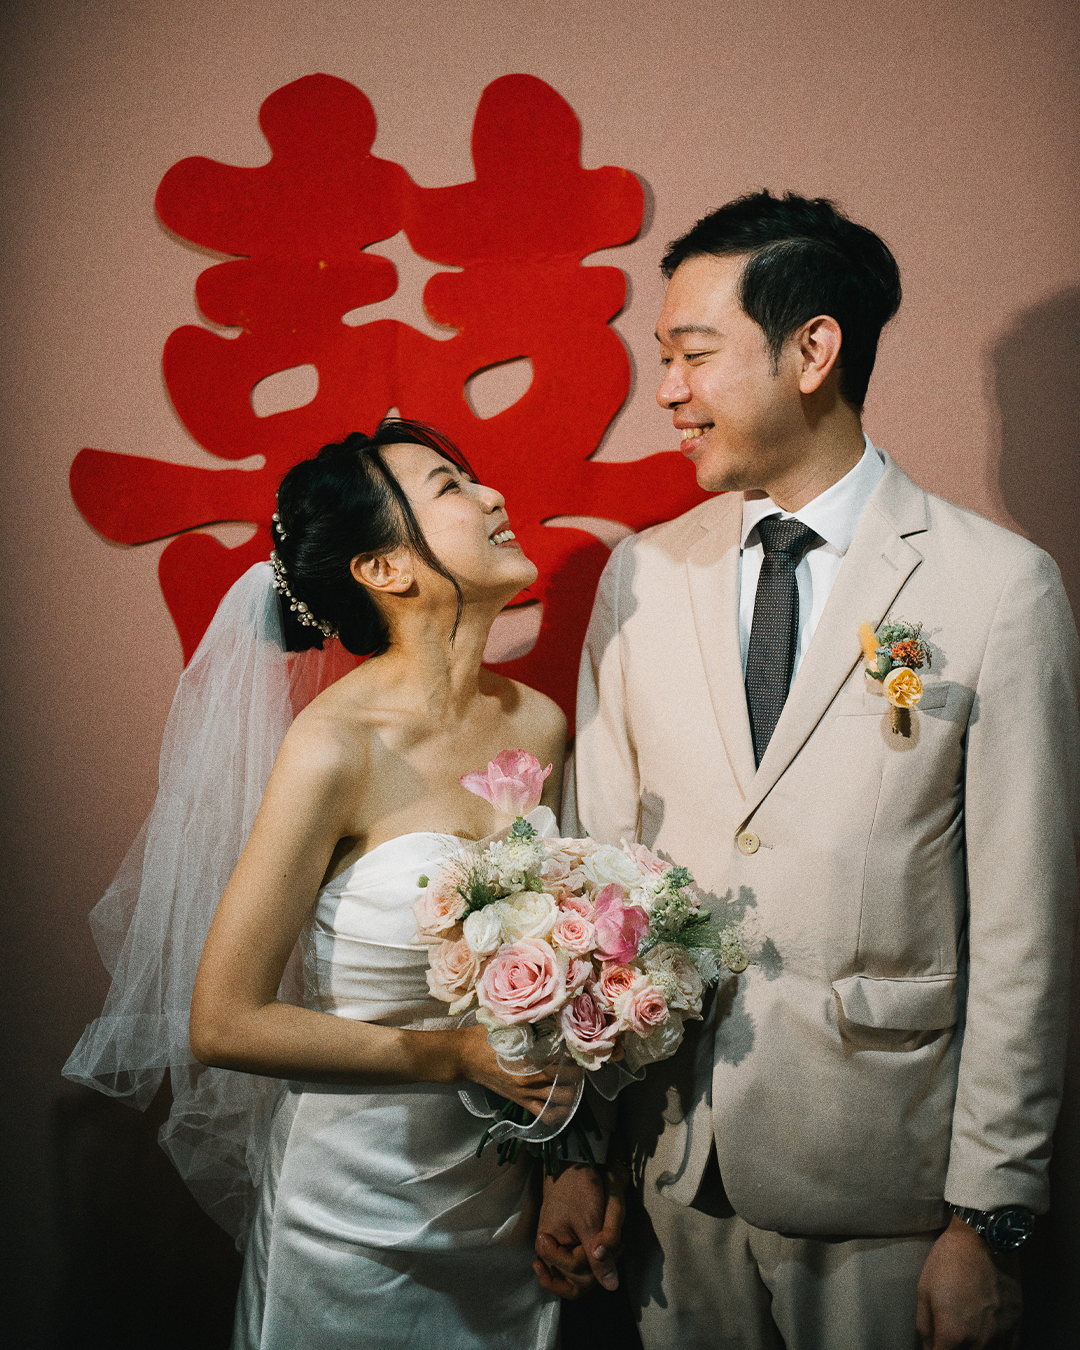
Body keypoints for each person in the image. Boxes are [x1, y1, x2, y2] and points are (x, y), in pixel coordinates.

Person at [536, 193, 1079, 1349]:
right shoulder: (641, 577)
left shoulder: (996, 587)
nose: (667, 391)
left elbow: (1027, 928)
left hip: (887, 1182)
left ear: (813, 351)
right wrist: (580, 1145)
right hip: (671, 1172)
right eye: (663, 358)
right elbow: (595, 877)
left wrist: (990, 1217)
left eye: (694, 355)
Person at [65, 420, 568, 1350]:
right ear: (383, 568)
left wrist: (574, 1162)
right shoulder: (333, 747)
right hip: (352, 1217)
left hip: (500, 1204)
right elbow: (224, 1022)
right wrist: (456, 1055)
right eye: (451, 487)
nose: (492, 496)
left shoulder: (540, 724)